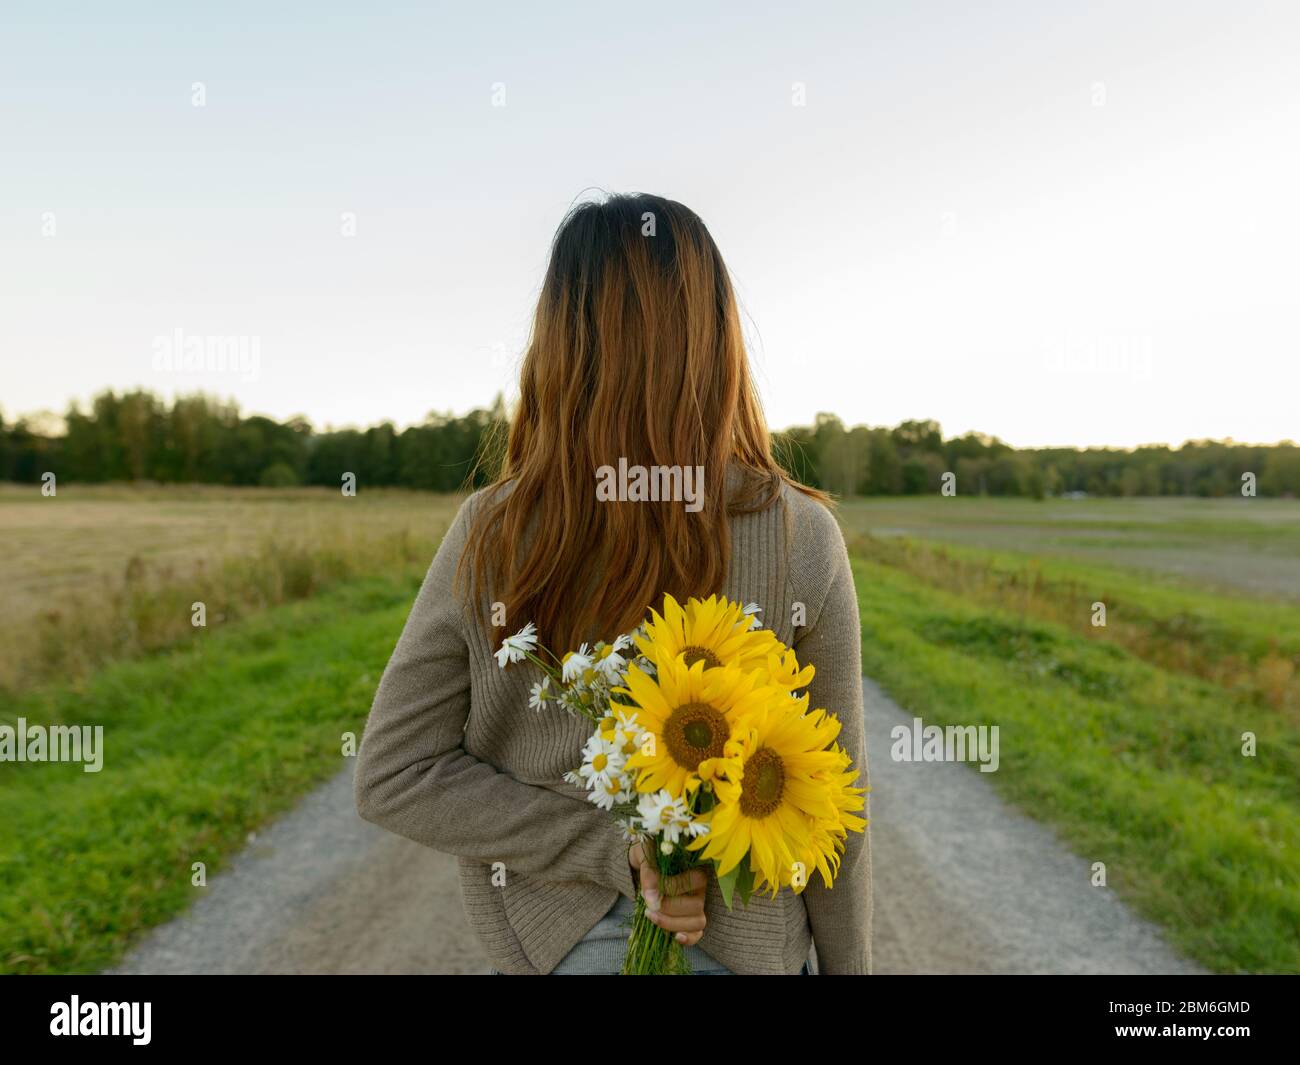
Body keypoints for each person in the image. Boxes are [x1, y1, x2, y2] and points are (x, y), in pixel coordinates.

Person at [354, 192, 871, 975]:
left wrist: (605, 848)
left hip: (558, 953)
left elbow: (394, 774)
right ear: (717, 339)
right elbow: (836, 817)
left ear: (559, 344)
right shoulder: (800, 533)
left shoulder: (495, 530)